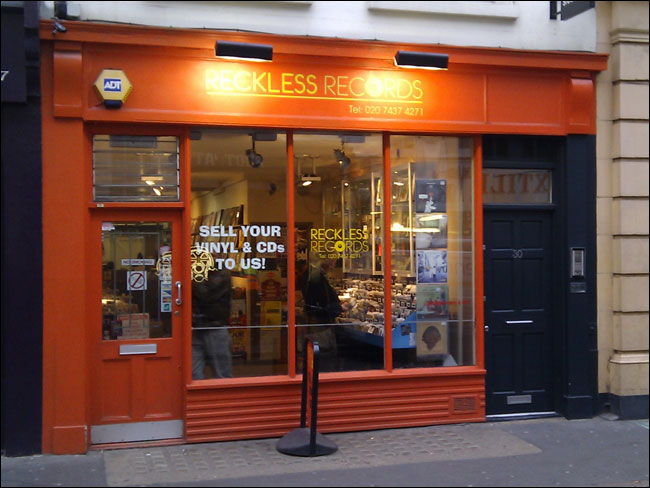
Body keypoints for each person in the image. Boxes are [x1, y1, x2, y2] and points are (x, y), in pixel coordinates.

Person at [191, 268, 233, 379]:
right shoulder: (198, 272)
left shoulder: (222, 274)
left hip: (215, 328)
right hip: (195, 328)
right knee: (193, 374)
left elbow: (206, 294)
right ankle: (198, 396)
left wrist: (189, 277)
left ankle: (224, 396)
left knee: (221, 374)